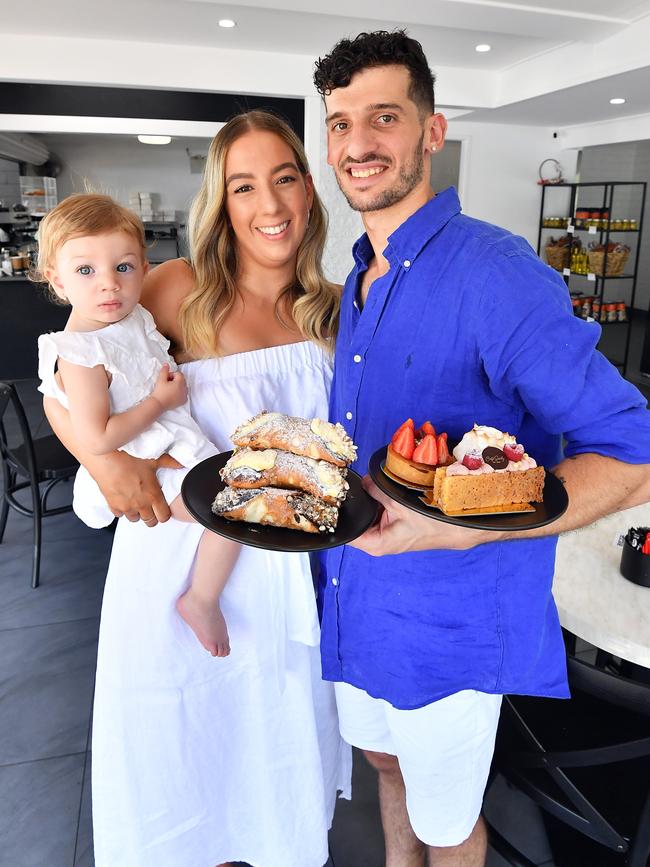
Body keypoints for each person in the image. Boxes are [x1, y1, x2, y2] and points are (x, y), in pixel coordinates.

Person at [313, 30, 650, 867]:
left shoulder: (497, 274)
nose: (358, 143)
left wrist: (471, 525)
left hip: (449, 623)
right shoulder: (360, 273)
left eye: (384, 117)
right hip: (356, 602)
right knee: (387, 768)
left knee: (447, 820)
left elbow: (634, 449)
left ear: (432, 131)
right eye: (340, 122)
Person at [44, 111, 351, 867]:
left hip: (289, 576)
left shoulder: (339, 307)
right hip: (170, 562)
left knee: (269, 769)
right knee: (187, 758)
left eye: (284, 178)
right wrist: (104, 458)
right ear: (221, 201)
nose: (269, 205)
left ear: (309, 192)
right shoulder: (176, 286)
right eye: (243, 186)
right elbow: (70, 373)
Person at [37, 193, 239, 658]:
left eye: (123, 267)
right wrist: (158, 400)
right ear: (57, 280)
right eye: (86, 271)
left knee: (231, 504)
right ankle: (201, 601)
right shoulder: (81, 353)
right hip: (146, 453)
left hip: (170, 439)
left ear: (145, 268)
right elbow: (96, 437)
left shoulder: (132, 318)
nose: (109, 285)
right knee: (227, 511)